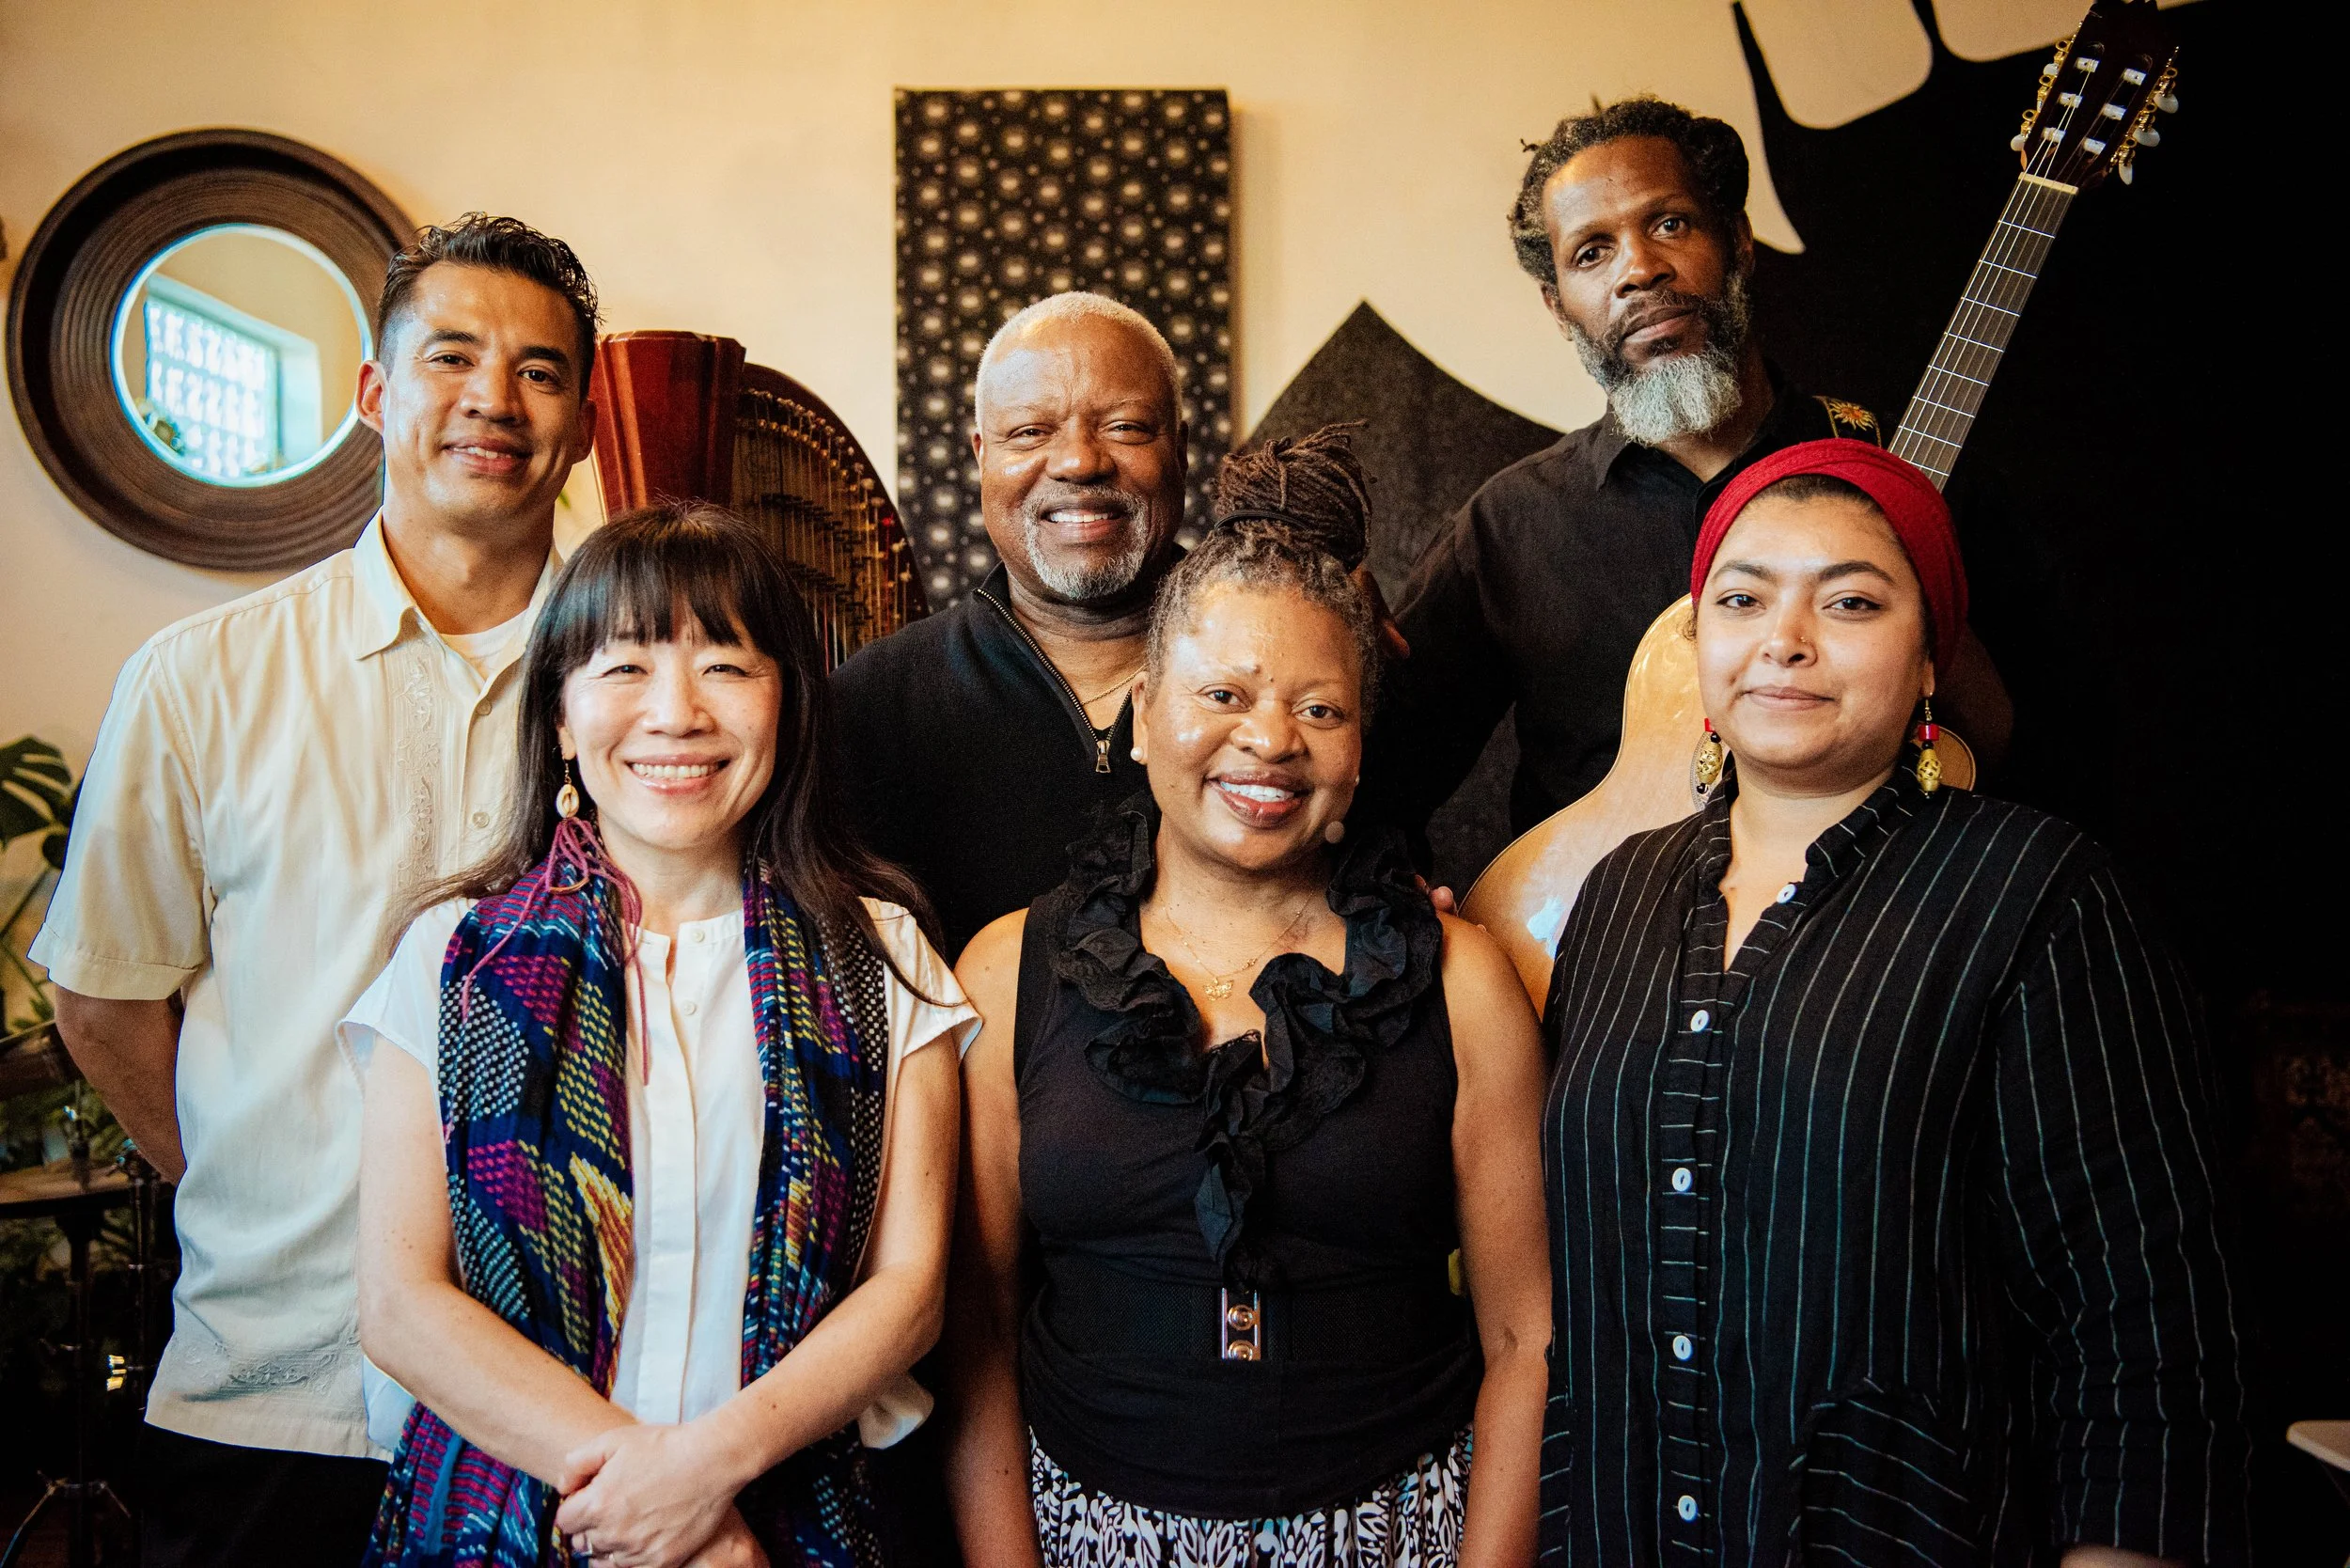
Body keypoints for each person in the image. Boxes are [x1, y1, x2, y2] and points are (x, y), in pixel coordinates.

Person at [1538, 439, 2246, 1563]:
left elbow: (2141, 1315)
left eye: (1852, 601)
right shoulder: (1617, 893)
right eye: (1741, 598)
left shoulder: (2037, 894)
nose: (1785, 641)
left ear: (1929, 662)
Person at [31, 213, 601, 1565]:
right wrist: (244, 1180)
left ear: (580, 422)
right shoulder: (201, 681)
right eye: (451, 356)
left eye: (540, 371)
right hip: (278, 1384)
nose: (493, 400)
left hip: (584, 1389)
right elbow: (103, 998)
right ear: (373, 395)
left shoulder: (660, 692)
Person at [947, 429, 1552, 1567]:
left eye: (1320, 709)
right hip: (1087, 1531)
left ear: (1362, 746)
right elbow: (973, 1329)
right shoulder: (1005, 971)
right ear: (1141, 710)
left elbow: (1528, 1338)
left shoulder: (1463, 980)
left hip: (1398, 1529)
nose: (1269, 740)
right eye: (1222, 692)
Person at [346, 505, 971, 1566]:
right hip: (507, 1517)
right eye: (623, 668)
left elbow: (908, 1294)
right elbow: (402, 1304)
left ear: (790, 707)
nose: (676, 715)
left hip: (791, 1513)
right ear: (556, 718)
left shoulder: (884, 956)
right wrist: (655, 1503)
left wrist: (710, 1472)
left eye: (727, 665)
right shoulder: (456, 957)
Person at [1365, 97, 2013, 845]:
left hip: (1873, 941)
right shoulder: (1507, 527)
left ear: (1738, 241)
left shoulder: (1917, 476)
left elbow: (2043, 742)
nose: (1640, 269)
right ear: (1557, 305)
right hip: (1592, 951)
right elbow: (1377, 779)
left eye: (1670, 224)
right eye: (1592, 252)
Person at [831, 291, 1184, 958]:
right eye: (1030, 432)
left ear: (1181, 449)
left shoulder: (1279, 685)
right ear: (980, 457)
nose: (1080, 461)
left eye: (1127, 427)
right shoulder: (866, 707)